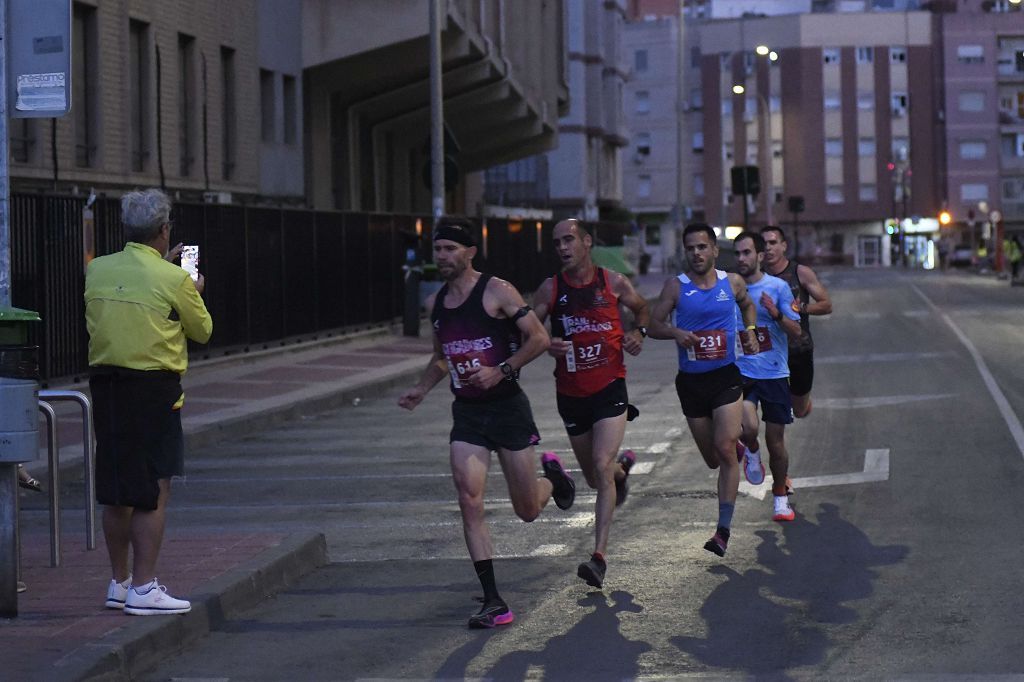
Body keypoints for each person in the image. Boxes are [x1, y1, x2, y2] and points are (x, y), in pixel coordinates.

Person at [397, 217, 575, 629]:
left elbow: (538, 339)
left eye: (450, 250)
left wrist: (501, 370)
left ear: (469, 252)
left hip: (508, 408)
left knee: (527, 510)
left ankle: (556, 481)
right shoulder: (436, 305)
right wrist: (422, 389)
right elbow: (443, 356)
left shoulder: (497, 290)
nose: (441, 257)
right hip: (469, 414)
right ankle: (494, 599)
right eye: (437, 250)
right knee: (468, 498)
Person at [85, 188, 212, 616]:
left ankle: (118, 582)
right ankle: (144, 587)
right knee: (154, 486)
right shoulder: (174, 278)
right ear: (163, 229)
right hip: (154, 387)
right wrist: (192, 287)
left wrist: (159, 266)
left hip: (106, 386)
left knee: (116, 487)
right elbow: (202, 331)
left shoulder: (98, 269)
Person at [532, 218, 650, 589]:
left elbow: (642, 309)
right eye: (557, 243)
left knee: (599, 465)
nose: (563, 248)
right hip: (571, 394)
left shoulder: (613, 282)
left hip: (610, 389)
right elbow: (528, 330)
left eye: (569, 240)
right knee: (596, 476)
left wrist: (637, 331)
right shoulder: (550, 289)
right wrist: (545, 344)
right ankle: (621, 472)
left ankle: (598, 557)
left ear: (586, 242)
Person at [648, 223, 759, 557]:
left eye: (701, 247)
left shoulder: (732, 282)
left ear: (713, 249)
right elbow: (653, 326)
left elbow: (747, 305)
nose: (696, 254)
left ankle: (723, 530)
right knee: (713, 458)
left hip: (725, 376)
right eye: (690, 248)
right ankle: (737, 452)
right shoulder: (675, 288)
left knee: (724, 447)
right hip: (692, 383)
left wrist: (750, 330)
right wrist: (675, 333)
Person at [731, 231, 803, 522]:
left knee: (776, 441)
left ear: (760, 255)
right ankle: (750, 449)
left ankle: (780, 499)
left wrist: (775, 315)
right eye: (737, 254)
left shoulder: (778, 287)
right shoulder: (730, 287)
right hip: (741, 371)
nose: (741, 259)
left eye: (747, 253)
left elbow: (797, 331)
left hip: (774, 372)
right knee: (748, 428)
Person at [760, 226, 832, 418]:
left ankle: (802, 404)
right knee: (768, 412)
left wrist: (801, 308)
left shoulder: (800, 273)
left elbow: (826, 305)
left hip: (798, 350)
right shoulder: (754, 277)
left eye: (773, 242)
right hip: (767, 354)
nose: (768, 248)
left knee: (799, 411)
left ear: (784, 246)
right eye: (764, 243)